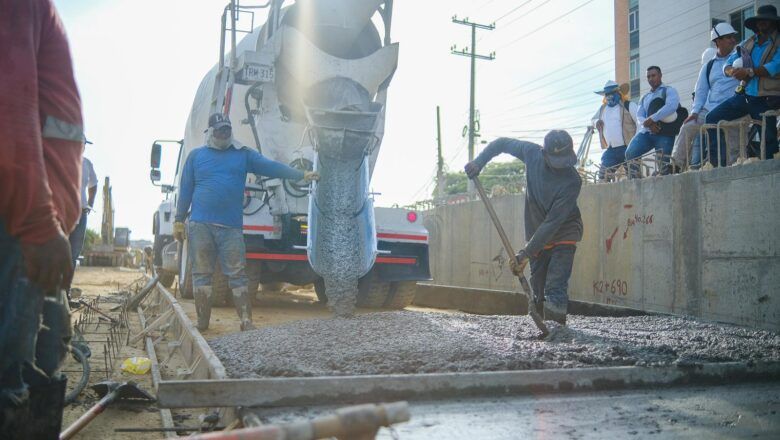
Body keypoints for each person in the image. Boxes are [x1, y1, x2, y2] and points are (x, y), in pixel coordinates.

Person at [0, 0, 84, 438]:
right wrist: (37, 224)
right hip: (18, 224)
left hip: (23, 219)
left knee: (38, 357)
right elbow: (11, 101)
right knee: (12, 379)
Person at [175, 113, 319, 331]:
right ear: (210, 133)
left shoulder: (243, 155)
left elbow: (271, 167)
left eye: (227, 130)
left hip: (231, 228)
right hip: (200, 226)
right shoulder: (196, 157)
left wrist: (300, 174)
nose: (224, 134)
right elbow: (186, 190)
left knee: (237, 274)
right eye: (219, 130)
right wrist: (178, 220)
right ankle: (202, 323)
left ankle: (246, 322)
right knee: (201, 274)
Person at [464, 130, 583, 325]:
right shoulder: (530, 152)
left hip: (564, 231)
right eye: (557, 160)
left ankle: (557, 330)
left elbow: (553, 222)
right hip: (537, 232)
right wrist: (479, 162)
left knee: (555, 285)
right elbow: (501, 143)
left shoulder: (572, 181)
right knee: (537, 287)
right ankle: (542, 324)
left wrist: (525, 254)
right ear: (544, 153)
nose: (562, 167)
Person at [706, 4, 780, 166]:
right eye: (760, 21)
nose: (762, 24)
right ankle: (716, 164)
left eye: (766, 21)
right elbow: (728, 64)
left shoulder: (778, 43)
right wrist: (732, 71)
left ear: (774, 23)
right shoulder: (748, 43)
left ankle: (770, 172)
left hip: (766, 98)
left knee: (768, 141)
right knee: (711, 119)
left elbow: (775, 66)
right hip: (745, 95)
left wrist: (748, 72)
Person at [672, 23, 739, 169]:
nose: (733, 40)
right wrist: (695, 112)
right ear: (718, 41)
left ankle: (734, 169)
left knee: (735, 149)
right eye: (729, 37)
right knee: (688, 126)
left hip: (734, 109)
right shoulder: (708, 66)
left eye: (734, 37)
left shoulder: (740, 59)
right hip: (709, 109)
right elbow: (701, 90)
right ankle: (675, 165)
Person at [625, 66, 681, 177]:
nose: (651, 79)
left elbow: (671, 106)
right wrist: (649, 124)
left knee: (663, 166)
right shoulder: (644, 97)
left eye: (653, 75)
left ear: (660, 75)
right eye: (648, 77)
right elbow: (639, 115)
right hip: (646, 133)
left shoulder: (669, 90)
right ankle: (636, 181)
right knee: (630, 153)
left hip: (664, 133)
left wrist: (652, 119)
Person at [591, 81, 638, 181]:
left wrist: (637, 143)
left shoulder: (629, 105)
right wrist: (596, 122)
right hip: (611, 150)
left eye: (611, 93)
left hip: (628, 148)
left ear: (618, 93)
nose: (609, 96)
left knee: (634, 176)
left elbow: (640, 123)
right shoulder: (602, 109)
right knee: (603, 176)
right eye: (607, 94)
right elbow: (592, 120)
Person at [69, 142, 98, 267]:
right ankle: (54, 285)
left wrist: (90, 204)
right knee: (59, 249)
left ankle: (66, 285)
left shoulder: (87, 163)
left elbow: (94, 184)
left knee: (74, 251)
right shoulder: (62, 159)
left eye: (83, 143)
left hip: (81, 213)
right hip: (64, 211)